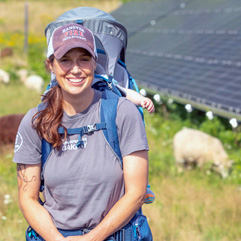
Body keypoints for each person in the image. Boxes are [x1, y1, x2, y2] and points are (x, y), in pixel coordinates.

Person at [14, 23, 151, 240]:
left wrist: (91, 238)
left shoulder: (122, 113)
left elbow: (136, 193)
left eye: (84, 59)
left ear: (95, 63)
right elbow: (27, 198)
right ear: (51, 65)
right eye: (65, 60)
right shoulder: (35, 122)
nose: (75, 69)